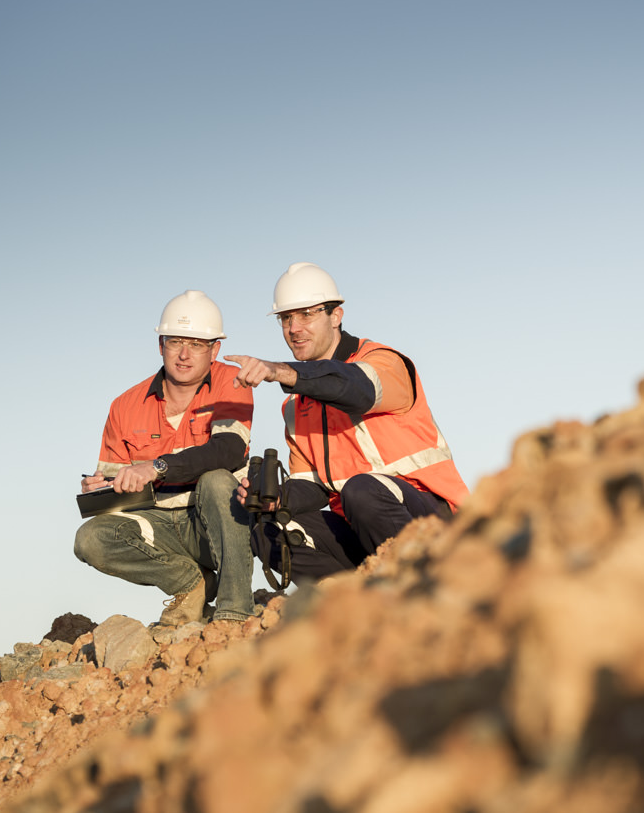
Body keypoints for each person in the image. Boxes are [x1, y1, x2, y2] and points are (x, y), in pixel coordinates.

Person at [225, 262, 468, 579]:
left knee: (362, 490)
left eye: (307, 314)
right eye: (286, 318)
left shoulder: (383, 361)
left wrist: (282, 372)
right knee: (267, 531)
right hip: (362, 531)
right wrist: (273, 498)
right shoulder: (294, 406)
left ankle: (429, 587)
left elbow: (355, 387)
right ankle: (353, 605)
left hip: (433, 522)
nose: (294, 327)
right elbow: (313, 489)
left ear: (336, 315)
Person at [74, 290, 257, 625]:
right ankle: (190, 584)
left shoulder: (232, 382)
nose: (184, 355)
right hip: (159, 525)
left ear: (214, 349)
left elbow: (228, 451)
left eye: (197, 344)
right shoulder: (124, 405)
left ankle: (234, 611)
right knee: (90, 538)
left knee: (217, 480)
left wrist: (157, 467)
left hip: (217, 523)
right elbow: (120, 489)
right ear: (161, 344)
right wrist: (101, 489)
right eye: (175, 342)